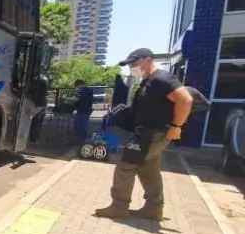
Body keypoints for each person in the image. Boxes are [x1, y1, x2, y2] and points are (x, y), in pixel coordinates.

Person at [95, 48, 194, 221]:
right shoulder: (149, 81)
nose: (132, 68)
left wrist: (176, 126)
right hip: (148, 133)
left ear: (148, 60)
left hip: (152, 134)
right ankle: (153, 209)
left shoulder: (161, 79)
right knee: (148, 170)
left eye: (134, 63)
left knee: (126, 167)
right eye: (129, 65)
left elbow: (186, 100)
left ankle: (119, 207)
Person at [71, 80, 93, 144]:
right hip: (87, 109)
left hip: (81, 109)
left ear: (79, 85)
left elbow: (76, 100)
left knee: (79, 124)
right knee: (84, 124)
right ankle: (83, 138)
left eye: (76, 86)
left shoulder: (79, 91)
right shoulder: (90, 90)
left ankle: (80, 139)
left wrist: (74, 101)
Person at [28, 74, 49, 143]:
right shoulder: (43, 84)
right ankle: (34, 138)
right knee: (37, 122)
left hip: (37, 104)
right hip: (41, 105)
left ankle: (32, 137)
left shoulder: (35, 84)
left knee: (35, 121)